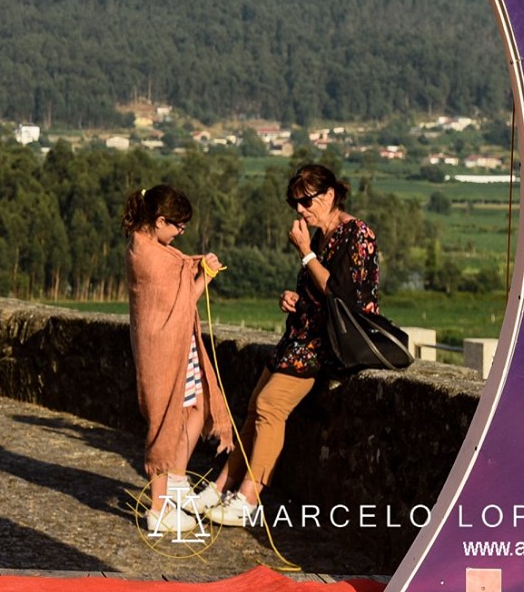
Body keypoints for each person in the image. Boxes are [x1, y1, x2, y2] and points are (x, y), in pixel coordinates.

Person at [196, 162, 381, 528]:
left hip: (326, 344)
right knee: (254, 407)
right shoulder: (323, 235)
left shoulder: (357, 234)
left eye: (306, 201)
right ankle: (220, 488)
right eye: (293, 202)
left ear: (329, 195)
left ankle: (248, 499)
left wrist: (305, 252)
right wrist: (294, 298)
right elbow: (318, 290)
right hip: (302, 336)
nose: (299, 209)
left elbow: (341, 295)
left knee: (270, 405)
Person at [124, 184, 230, 537]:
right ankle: (159, 509)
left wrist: (197, 270)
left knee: (198, 407)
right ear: (159, 221)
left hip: (177, 344)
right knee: (165, 421)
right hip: (163, 349)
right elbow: (185, 302)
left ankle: (177, 481)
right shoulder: (153, 259)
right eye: (178, 226)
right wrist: (205, 276)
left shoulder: (147, 245)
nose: (181, 233)